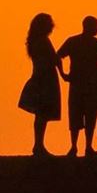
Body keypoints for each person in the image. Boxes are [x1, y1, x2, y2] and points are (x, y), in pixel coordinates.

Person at [18, 13, 68, 156]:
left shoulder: (33, 41)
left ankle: (38, 145)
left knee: (40, 114)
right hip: (46, 79)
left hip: (37, 76)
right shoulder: (44, 41)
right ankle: (39, 145)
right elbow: (55, 59)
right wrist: (63, 74)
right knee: (43, 113)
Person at [57, 15, 97, 157]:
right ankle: (83, 147)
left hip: (81, 84)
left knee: (79, 115)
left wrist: (64, 74)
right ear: (88, 26)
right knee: (84, 115)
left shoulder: (74, 41)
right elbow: (58, 56)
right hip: (87, 85)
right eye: (96, 26)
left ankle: (78, 148)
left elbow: (57, 56)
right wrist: (63, 74)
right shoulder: (94, 43)